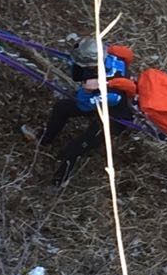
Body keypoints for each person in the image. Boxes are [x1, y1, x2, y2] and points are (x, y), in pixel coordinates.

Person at [39, 36, 136, 185]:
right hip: (99, 103)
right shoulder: (110, 58)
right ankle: (45, 139)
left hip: (112, 117)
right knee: (61, 108)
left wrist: (88, 88)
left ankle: (59, 181)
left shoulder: (112, 92)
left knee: (77, 147)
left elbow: (84, 104)